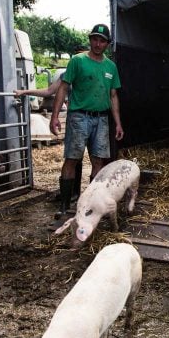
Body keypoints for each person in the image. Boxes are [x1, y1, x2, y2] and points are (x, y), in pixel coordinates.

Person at [48, 24, 124, 220]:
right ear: (90, 39)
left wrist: (118, 123)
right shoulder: (77, 61)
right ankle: (65, 206)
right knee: (72, 159)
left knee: (98, 160)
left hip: (101, 118)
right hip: (78, 117)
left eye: (102, 40)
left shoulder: (110, 67)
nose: (98, 44)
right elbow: (63, 88)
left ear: (107, 44)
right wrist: (55, 116)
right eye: (95, 39)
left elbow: (113, 95)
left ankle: (90, 204)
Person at [14, 47, 86, 200]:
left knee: (91, 157)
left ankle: (79, 193)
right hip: (75, 118)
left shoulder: (95, 69)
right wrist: (25, 92)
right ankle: (69, 194)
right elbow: (49, 91)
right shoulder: (67, 74)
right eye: (77, 56)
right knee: (73, 157)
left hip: (93, 117)